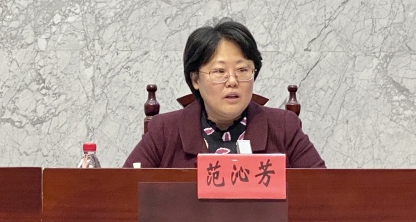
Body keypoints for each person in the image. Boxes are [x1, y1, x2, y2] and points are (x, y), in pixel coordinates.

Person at [123, 19, 326, 168]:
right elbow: (125, 192)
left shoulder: (284, 127)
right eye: (219, 71)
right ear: (195, 80)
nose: (232, 81)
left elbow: (324, 191)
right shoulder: (164, 131)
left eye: (243, 70)